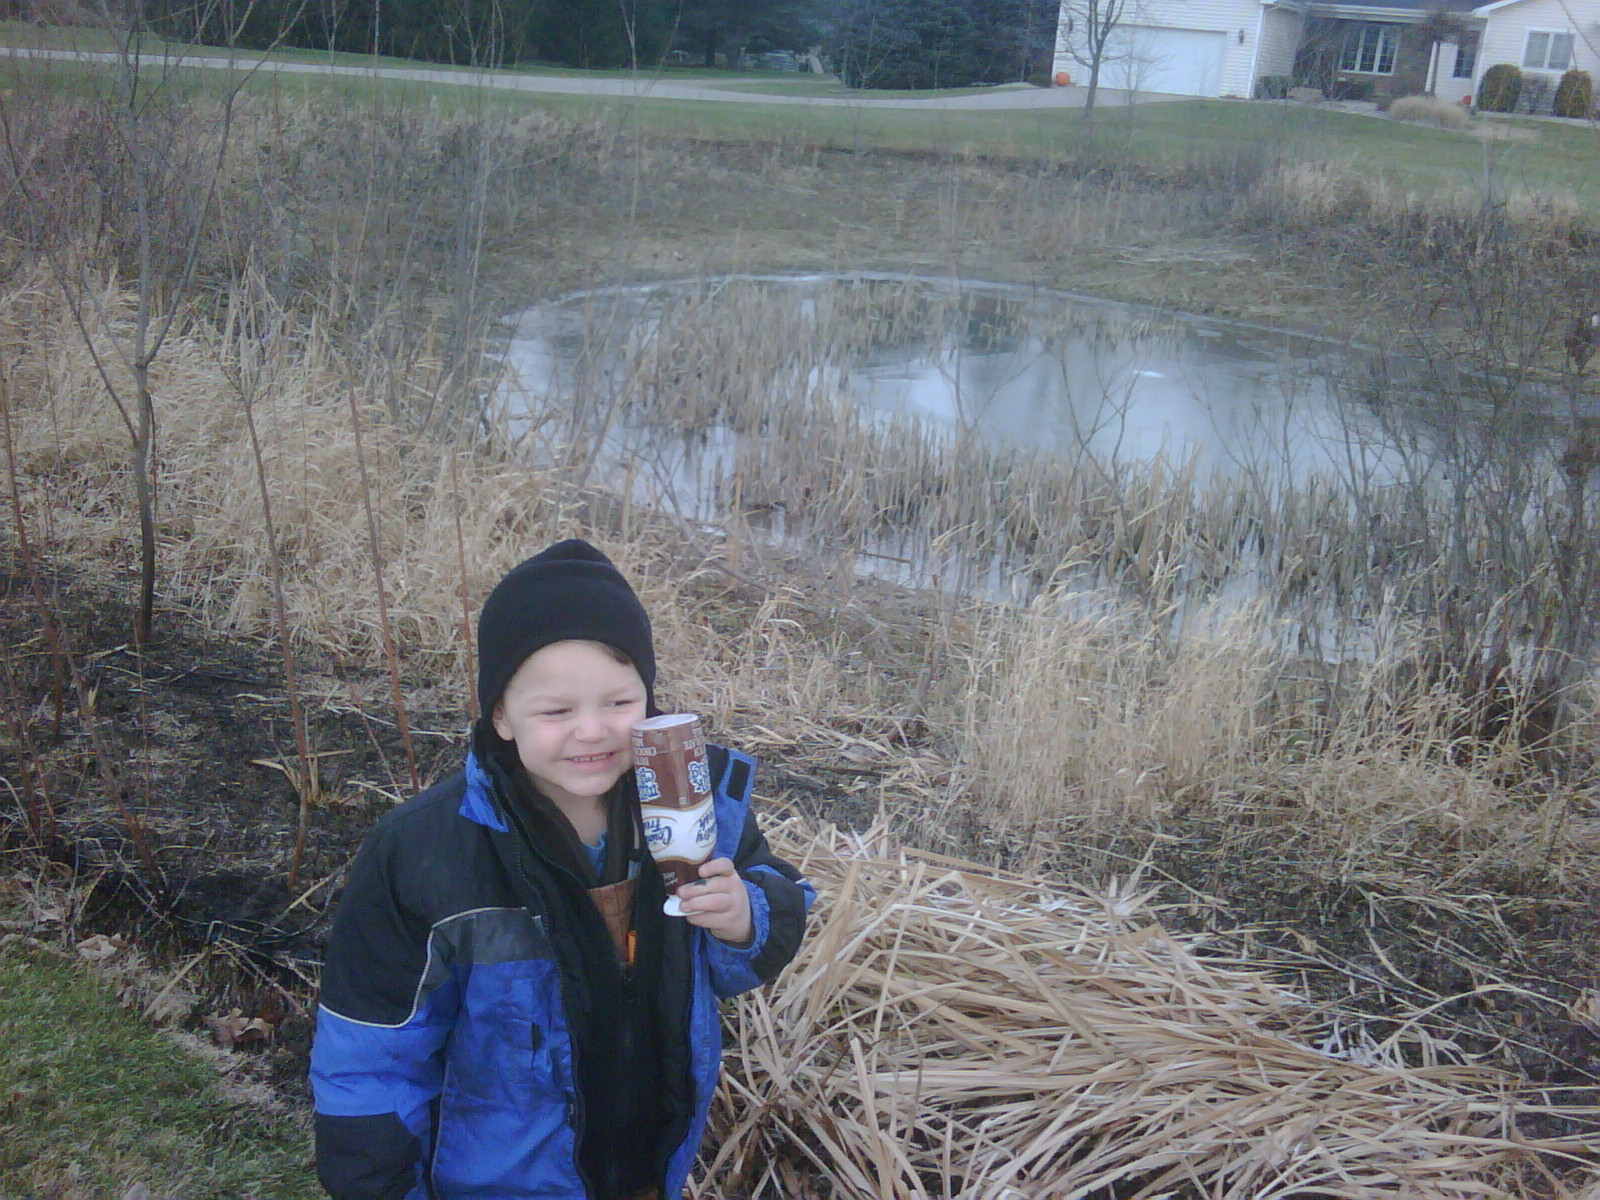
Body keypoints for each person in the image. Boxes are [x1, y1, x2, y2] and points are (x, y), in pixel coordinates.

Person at [310, 538, 814, 1200]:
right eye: (557, 711)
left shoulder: (697, 813)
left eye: (619, 702)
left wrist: (742, 918)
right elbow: (370, 1059)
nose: (593, 731)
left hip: (644, 1167)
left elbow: (772, 910)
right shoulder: (422, 852)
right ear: (501, 715)